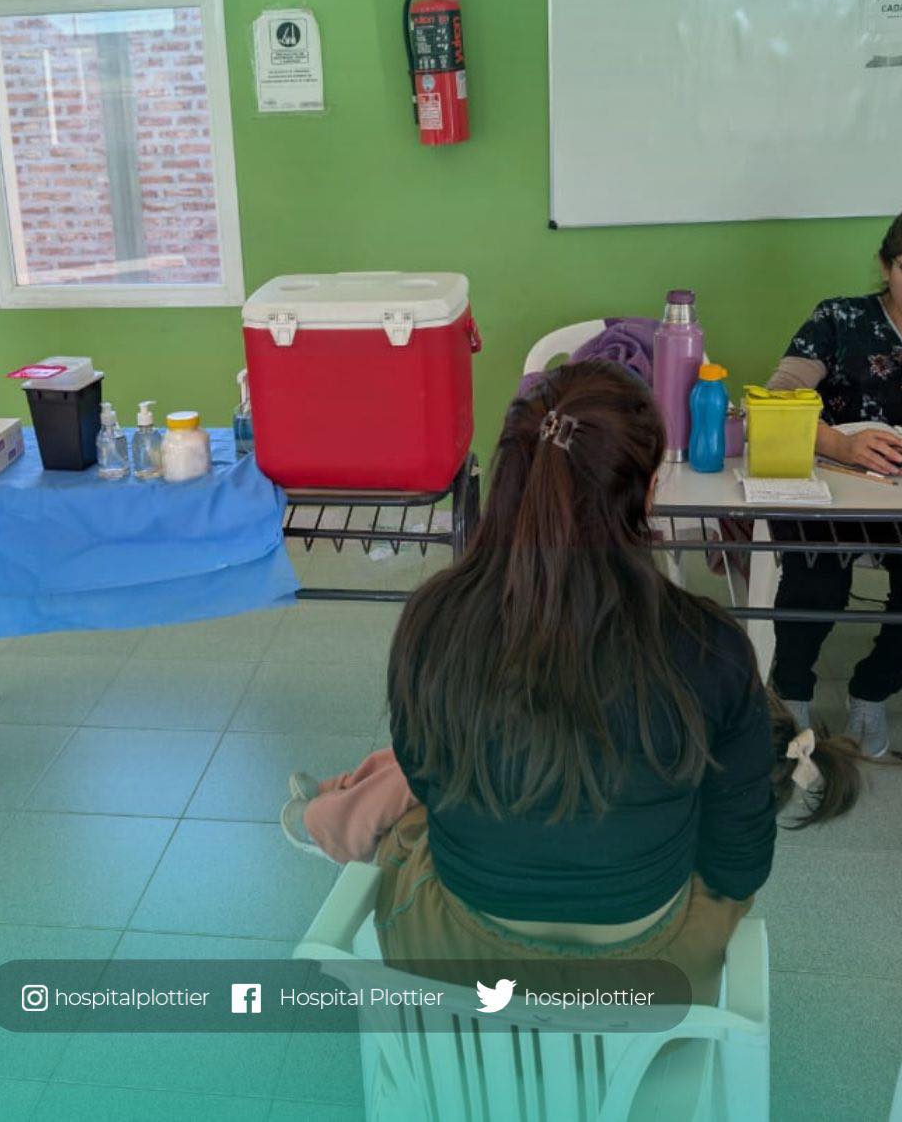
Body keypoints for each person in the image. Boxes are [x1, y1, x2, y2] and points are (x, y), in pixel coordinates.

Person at [283, 362, 860, 1005]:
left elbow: (426, 778)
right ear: (648, 492)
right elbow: (738, 866)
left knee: (403, 817)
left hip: (458, 955)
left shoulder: (435, 619)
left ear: (509, 481)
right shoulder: (711, 645)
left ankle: (327, 814)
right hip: (649, 973)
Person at [767, 212, 902, 756]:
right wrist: (841, 445)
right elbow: (778, 400)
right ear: (886, 266)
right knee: (816, 582)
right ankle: (791, 693)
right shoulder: (840, 318)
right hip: (829, 481)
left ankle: (872, 689)